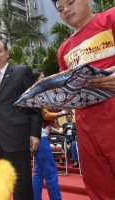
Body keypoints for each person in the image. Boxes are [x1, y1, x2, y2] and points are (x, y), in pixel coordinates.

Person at [52, 0, 115, 198]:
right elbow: (67, 86)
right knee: (98, 184)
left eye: (70, 2)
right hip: (85, 123)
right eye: (60, 9)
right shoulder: (63, 49)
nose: (66, 10)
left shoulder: (110, 18)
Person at [0, 40, 42, 200]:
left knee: (21, 186)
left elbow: (34, 104)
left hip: (16, 138)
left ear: (7, 53)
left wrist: (35, 133)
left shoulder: (21, 72)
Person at [32, 70, 69, 200]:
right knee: (51, 173)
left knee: (38, 173)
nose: (45, 79)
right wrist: (63, 112)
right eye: (42, 78)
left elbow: (50, 110)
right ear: (36, 81)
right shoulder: (38, 95)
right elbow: (46, 115)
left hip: (39, 137)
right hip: (41, 139)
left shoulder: (37, 95)